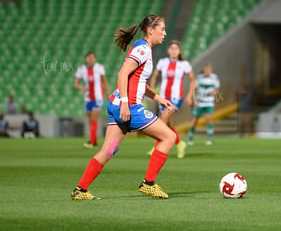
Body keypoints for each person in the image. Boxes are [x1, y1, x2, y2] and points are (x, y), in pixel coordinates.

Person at [71, 14, 176, 201]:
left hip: (116, 105)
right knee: (169, 137)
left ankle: (81, 190)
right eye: (162, 29)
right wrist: (127, 103)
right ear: (150, 30)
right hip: (129, 108)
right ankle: (149, 184)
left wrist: (158, 97)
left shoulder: (143, 49)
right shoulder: (143, 49)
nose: (165, 33)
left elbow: (138, 81)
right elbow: (122, 74)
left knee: (108, 150)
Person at [147, 40, 196, 158]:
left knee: (162, 120)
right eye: (172, 48)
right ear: (168, 50)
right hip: (163, 98)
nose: (174, 51)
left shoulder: (184, 64)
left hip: (175, 98)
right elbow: (154, 77)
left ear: (179, 51)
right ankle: (180, 144)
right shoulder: (162, 62)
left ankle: (156, 147)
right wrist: (152, 93)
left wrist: (189, 95)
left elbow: (193, 80)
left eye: (176, 49)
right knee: (167, 123)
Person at [75, 51, 110, 148]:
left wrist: (108, 94)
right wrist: (82, 88)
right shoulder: (81, 69)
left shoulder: (99, 68)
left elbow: (104, 82)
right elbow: (76, 84)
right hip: (87, 98)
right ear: (86, 59)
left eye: (93, 58)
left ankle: (91, 141)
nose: (91, 59)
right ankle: (94, 141)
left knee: (94, 118)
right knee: (91, 120)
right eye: (89, 58)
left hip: (98, 97)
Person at [187, 63, 220, 145]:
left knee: (208, 118)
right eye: (206, 69)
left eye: (209, 69)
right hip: (200, 102)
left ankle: (210, 138)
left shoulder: (214, 78)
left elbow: (217, 90)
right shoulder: (199, 78)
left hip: (209, 102)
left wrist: (214, 93)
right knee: (195, 120)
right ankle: (190, 138)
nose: (207, 71)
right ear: (204, 70)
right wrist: (195, 100)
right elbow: (194, 90)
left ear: (211, 70)